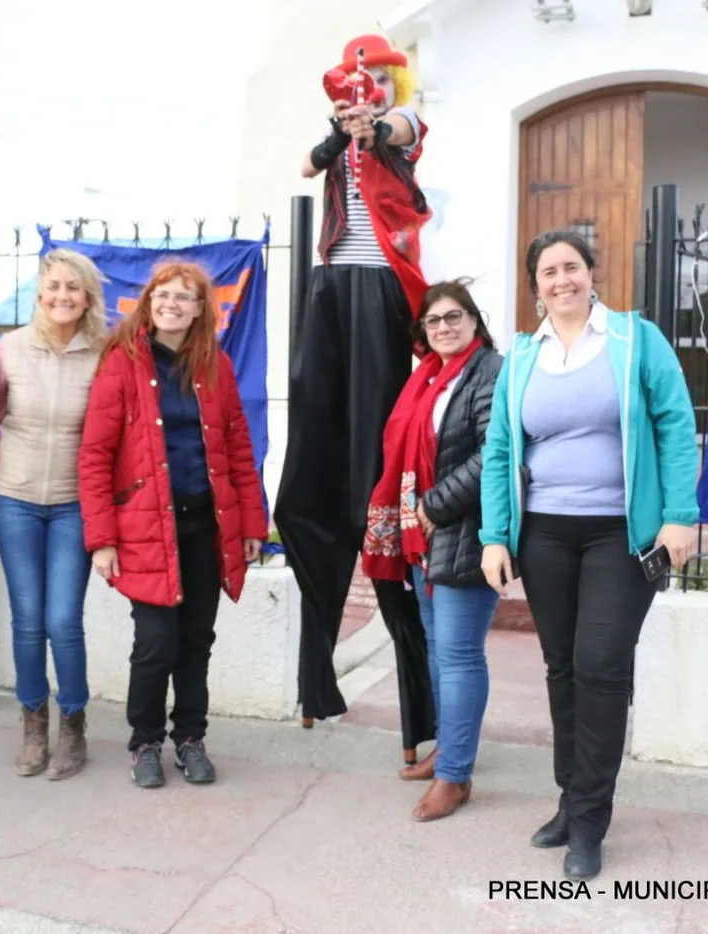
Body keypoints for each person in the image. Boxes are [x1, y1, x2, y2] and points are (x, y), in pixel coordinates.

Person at [479, 230, 700, 880]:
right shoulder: (521, 357)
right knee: (561, 669)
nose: (561, 279)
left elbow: (675, 422)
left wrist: (680, 515)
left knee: (600, 665)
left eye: (570, 266)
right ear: (535, 285)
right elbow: (498, 451)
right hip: (544, 533)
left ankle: (590, 823)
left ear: (591, 273)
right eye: (548, 271)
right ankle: (570, 800)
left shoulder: (635, 340)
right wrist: (496, 534)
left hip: (620, 534)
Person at [275, 32, 436, 765]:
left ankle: (421, 723)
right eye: (355, 83)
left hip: (380, 289)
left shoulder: (403, 129)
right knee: (319, 443)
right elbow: (307, 165)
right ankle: (316, 685)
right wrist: (341, 130)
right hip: (330, 288)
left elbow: (403, 130)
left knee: (374, 450)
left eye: (375, 80)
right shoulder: (338, 144)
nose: (364, 93)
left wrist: (375, 123)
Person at [78, 261, 267, 789]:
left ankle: (190, 737)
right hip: (144, 530)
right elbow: (94, 456)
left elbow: (237, 449)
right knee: (156, 642)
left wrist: (252, 524)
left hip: (205, 527)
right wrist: (102, 539)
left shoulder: (216, 366)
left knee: (196, 640)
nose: (173, 304)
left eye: (186, 297)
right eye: (163, 294)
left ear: (202, 308)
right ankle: (145, 742)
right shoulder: (122, 362)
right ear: (148, 301)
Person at [362, 280, 504, 821]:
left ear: (474, 320)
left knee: (460, 653)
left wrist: (435, 506)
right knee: (439, 649)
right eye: (433, 321)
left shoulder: (488, 371)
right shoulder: (427, 378)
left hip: (466, 532)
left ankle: (455, 777)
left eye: (454, 317)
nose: (443, 327)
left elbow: (498, 450)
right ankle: (451, 749)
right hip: (424, 538)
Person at [0, 248, 107, 779]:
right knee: (28, 621)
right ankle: (34, 727)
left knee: (63, 620)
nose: (63, 296)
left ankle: (73, 724)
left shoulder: (104, 353)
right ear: (40, 291)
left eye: (73, 289)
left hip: (74, 504)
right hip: (14, 499)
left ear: (87, 298)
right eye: (54, 286)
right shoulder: (8, 349)